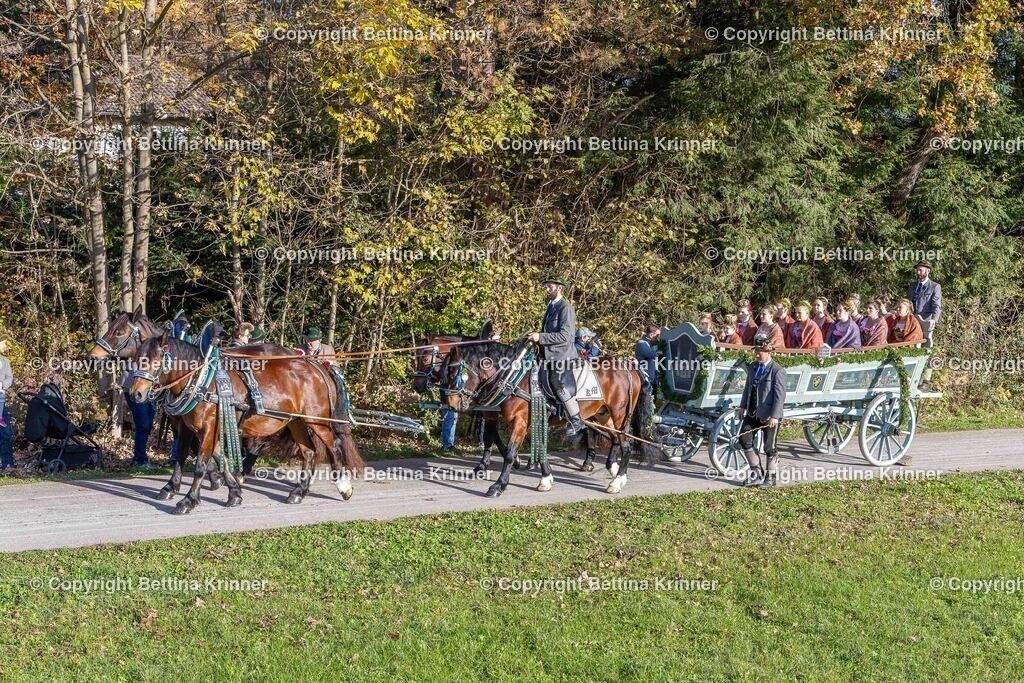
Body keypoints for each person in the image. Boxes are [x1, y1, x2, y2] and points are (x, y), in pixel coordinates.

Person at [527, 275, 584, 437]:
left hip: (562, 355)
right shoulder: (551, 306)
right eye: (546, 287)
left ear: (560, 288)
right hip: (547, 354)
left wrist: (541, 337)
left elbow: (566, 336)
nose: (546, 289)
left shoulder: (565, 308)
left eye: (549, 287)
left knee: (556, 382)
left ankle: (576, 418)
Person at [738, 337, 787, 488]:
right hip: (752, 413)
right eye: (756, 351)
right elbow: (748, 388)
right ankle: (756, 474)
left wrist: (775, 416)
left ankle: (771, 478)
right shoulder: (753, 367)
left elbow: (780, 396)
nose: (757, 354)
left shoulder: (777, 371)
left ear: (768, 352)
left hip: (768, 416)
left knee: (769, 447)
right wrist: (742, 406)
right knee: (744, 439)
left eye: (760, 352)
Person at [909, 260, 942, 335]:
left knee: (924, 344)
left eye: (920, 270)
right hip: (910, 320)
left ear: (928, 271)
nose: (918, 272)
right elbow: (907, 302)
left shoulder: (935, 286)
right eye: (917, 270)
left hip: (925, 321)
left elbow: (936, 305)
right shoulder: (912, 285)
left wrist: (934, 320)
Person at [635, 325, 661, 396]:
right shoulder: (641, 343)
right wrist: (658, 353)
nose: (658, 338)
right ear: (651, 334)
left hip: (651, 377)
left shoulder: (649, 343)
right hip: (644, 377)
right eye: (657, 335)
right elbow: (649, 354)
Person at [0, 340, 13, 471]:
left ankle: (7, 463)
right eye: (2, 343)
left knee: (5, 432)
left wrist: (3, 384)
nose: (5, 346)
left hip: (1, 399)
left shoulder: (5, 361)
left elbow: (9, 378)